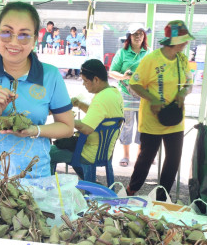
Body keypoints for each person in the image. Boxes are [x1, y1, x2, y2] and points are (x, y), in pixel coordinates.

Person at [0, 2, 74, 178]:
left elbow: (67, 127)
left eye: (24, 35)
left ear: (35, 39)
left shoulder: (50, 76)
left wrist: (35, 130)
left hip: (34, 177)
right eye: (7, 32)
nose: (14, 42)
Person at [126, 20, 194, 201]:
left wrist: (182, 93)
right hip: (152, 121)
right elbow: (134, 84)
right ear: (173, 41)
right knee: (145, 159)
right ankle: (131, 190)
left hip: (175, 120)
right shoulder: (151, 59)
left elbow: (189, 84)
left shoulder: (182, 59)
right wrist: (153, 99)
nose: (186, 42)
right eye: (183, 39)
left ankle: (162, 195)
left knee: (173, 160)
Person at [50, 59, 124, 178]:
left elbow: (86, 129)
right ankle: (90, 183)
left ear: (96, 79)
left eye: (85, 81)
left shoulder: (101, 98)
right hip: (104, 152)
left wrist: (65, 118)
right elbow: (99, 115)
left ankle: (48, 190)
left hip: (89, 153)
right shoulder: (114, 92)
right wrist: (79, 104)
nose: (83, 84)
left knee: (47, 154)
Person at [109, 23, 151, 167]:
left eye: (141, 33)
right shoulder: (122, 53)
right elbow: (112, 72)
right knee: (127, 126)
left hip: (144, 95)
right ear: (129, 37)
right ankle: (125, 156)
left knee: (142, 126)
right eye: (135, 34)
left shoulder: (149, 53)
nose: (138, 36)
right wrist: (124, 77)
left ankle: (140, 155)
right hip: (126, 94)